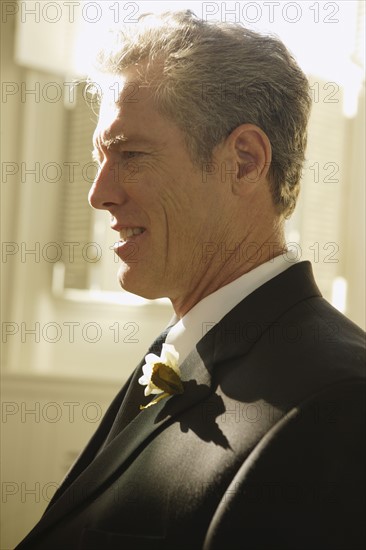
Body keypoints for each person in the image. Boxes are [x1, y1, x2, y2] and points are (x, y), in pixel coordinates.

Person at [16, 10, 365, 550]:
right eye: (99, 158)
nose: (98, 194)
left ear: (244, 162)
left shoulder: (337, 407)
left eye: (130, 155)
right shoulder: (183, 350)